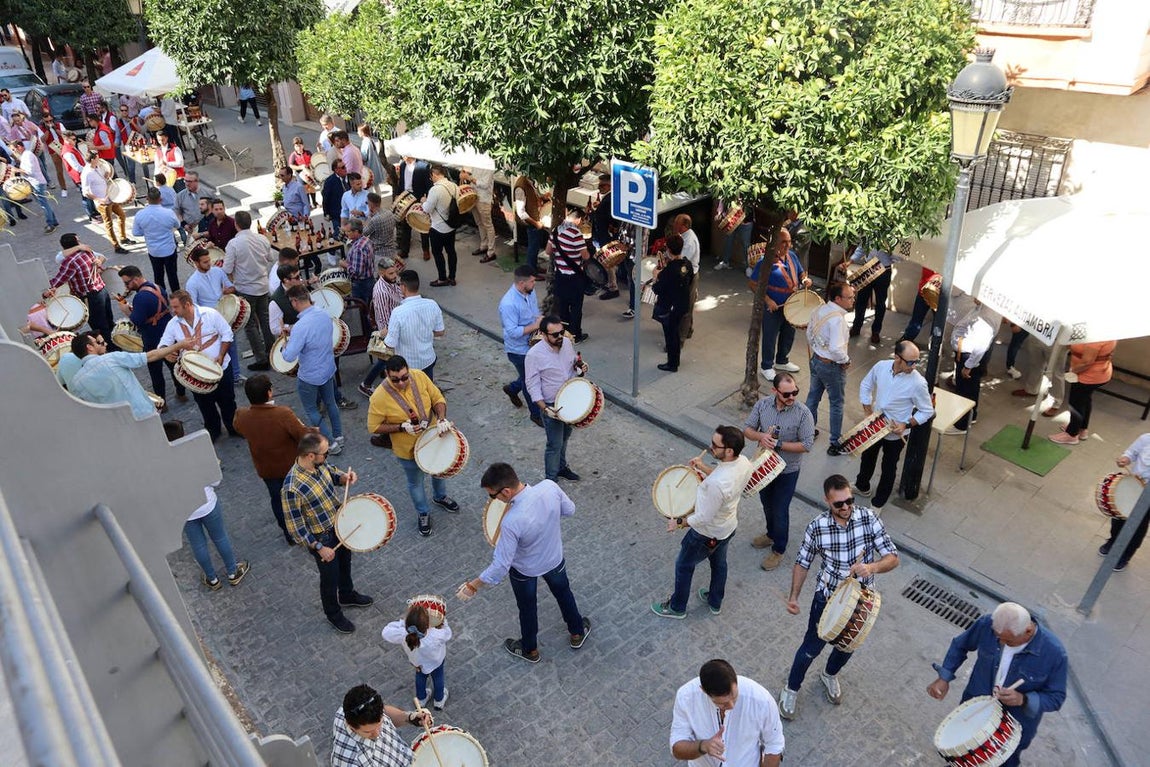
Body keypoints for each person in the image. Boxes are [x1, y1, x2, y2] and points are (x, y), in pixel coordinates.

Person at [778, 474, 900, 720]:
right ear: (827, 501)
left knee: (848, 646)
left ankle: (829, 675)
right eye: (839, 504)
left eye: (849, 501)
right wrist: (794, 597)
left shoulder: (868, 518)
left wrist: (872, 567)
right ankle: (791, 688)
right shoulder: (817, 526)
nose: (845, 507)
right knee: (811, 648)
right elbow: (803, 562)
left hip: (862, 598)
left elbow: (893, 557)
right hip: (828, 597)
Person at [456, 462, 591, 662]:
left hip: (524, 570)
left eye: (493, 495)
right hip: (553, 559)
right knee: (564, 594)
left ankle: (530, 649)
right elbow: (570, 510)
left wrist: (474, 585)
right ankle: (577, 632)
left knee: (527, 608)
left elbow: (501, 564)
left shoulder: (510, 522)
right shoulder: (549, 486)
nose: (492, 499)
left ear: (506, 492)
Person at [927, 602, 1068, 767]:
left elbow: (1056, 697)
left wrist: (1024, 699)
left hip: (1014, 723)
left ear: (1028, 631)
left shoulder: (1054, 653)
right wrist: (944, 677)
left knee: (1004, 762)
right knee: (964, 754)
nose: (1000, 642)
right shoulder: (987, 624)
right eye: (997, 636)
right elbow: (961, 645)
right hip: (976, 706)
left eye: (1007, 640)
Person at [652, 426, 752, 618]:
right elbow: (722, 474)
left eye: (715, 445)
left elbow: (703, 518)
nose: (710, 446)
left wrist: (679, 522)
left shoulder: (716, 485)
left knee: (684, 566)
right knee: (719, 563)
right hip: (728, 527)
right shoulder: (744, 463)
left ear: (729, 451)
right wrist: (702, 466)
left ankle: (677, 607)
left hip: (706, 534)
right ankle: (715, 601)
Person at [282, 433, 371, 632]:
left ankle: (347, 594)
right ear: (310, 455)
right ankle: (333, 614)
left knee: (345, 564)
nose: (328, 455)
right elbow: (295, 527)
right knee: (329, 579)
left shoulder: (319, 465)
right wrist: (320, 548)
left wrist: (344, 477)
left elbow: (332, 473)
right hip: (322, 538)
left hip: (339, 525)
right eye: (325, 453)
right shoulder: (292, 488)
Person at [367, 355, 460, 536]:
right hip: (407, 449)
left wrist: (441, 419)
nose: (401, 383)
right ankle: (423, 512)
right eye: (395, 380)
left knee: (439, 471)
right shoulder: (378, 397)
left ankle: (440, 497)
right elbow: (373, 426)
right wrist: (400, 427)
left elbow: (438, 399)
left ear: (408, 370)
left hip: (434, 438)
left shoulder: (419, 376)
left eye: (404, 377)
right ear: (386, 374)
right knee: (415, 483)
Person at [163, 420, 250, 590]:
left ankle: (212, 579)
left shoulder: (159, 463)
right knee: (220, 537)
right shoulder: (195, 454)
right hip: (207, 503)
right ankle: (232, 572)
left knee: (198, 545)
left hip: (185, 511)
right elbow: (216, 481)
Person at [743, 373, 815, 571]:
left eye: (795, 393)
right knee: (767, 504)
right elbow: (747, 429)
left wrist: (779, 444)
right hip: (764, 467)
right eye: (786, 394)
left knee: (780, 509)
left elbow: (807, 445)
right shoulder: (763, 405)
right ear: (775, 391)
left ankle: (779, 549)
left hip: (787, 470)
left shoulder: (803, 413)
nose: (792, 397)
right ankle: (770, 534)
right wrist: (761, 436)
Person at [853, 340, 935, 510]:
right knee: (867, 456)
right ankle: (862, 486)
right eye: (910, 362)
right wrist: (867, 411)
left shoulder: (918, 383)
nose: (914, 366)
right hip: (875, 424)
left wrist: (906, 424)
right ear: (897, 357)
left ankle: (878, 503)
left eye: (916, 361)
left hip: (896, 433)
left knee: (889, 467)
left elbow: (927, 411)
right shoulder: (881, 366)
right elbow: (866, 385)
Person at [232, 375, 314, 545]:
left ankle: (289, 534)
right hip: (291, 467)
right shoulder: (282, 413)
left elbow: (238, 427)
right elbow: (302, 436)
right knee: (301, 498)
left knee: (278, 501)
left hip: (267, 469)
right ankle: (307, 529)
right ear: (269, 393)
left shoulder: (242, 415)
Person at [669, 659, 784, 767]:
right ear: (704, 691)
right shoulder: (686, 697)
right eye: (722, 704)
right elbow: (677, 749)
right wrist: (703, 746)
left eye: (734, 697)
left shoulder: (761, 700)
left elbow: (774, 745)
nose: (731, 706)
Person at [158, 291, 239, 441]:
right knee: (205, 405)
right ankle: (213, 431)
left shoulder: (210, 314)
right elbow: (163, 343)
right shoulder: (173, 324)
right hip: (195, 375)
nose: (173, 311)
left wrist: (221, 355)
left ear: (187, 305)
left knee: (228, 401)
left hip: (221, 368)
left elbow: (227, 334)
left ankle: (233, 427)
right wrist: (166, 352)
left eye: (176, 307)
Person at [281, 285, 346, 454]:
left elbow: (289, 357)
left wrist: (285, 346)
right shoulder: (324, 314)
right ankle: (338, 436)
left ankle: (331, 444)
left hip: (309, 374)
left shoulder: (301, 327)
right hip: (328, 367)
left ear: (295, 301)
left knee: (311, 410)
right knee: (331, 403)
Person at [67, 330, 192, 417]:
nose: (102, 344)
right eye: (96, 342)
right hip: (143, 414)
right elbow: (151, 356)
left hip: (117, 428)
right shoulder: (111, 358)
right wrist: (178, 345)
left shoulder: (75, 383)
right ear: (89, 347)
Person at [117, 265, 186, 404]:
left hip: (152, 336)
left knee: (155, 370)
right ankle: (181, 393)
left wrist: (126, 310)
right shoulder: (157, 287)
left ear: (135, 279)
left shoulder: (140, 297)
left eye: (127, 283)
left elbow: (137, 320)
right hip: (167, 332)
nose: (126, 287)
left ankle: (162, 401)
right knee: (173, 364)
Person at [748, 228, 810, 382]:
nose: (787, 245)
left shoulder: (792, 256)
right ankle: (767, 366)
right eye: (783, 242)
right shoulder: (765, 261)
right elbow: (753, 284)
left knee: (789, 334)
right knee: (770, 336)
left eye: (789, 241)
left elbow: (801, 273)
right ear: (774, 243)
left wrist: (804, 280)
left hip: (791, 304)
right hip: (773, 307)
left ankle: (782, 360)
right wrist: (768, 300)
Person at [223, 210, 277, 372]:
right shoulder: (261, 239)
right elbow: (270, 258)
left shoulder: (233, 244)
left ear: (236, 225)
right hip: (262, 285)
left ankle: (261, 358)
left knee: (250, 324)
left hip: (246, 288)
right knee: (265, 320)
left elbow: (227, 268)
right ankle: (272, 351)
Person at [806, 281, 855, 455]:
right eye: (849, 297)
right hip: (832, 366)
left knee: (813, 397)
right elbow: (836, 349)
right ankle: (835, 443)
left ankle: (807, 433)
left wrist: (818, 350)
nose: (852, 300)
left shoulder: (819, 309)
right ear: (837, 298)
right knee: (836, 403)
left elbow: (809, 333)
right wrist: (846, 360)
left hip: (816, 360)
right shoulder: (837, 320)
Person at [330, 684, 431, 767]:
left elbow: (385, 711)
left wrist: (409, 717)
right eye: (368, 732)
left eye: (380, 724)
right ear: (350, 725)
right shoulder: (351, 763)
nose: (377, 733)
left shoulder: (348, 710)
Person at [45, 234, 116, 344]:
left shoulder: (70, 262)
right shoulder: (88, 252)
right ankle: (116, 343)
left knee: (100, 327)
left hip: (91, 298)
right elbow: (100, 258)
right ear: (77, 243)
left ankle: (111, 349)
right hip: (102, 291)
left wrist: (46, 290)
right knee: (109, 321)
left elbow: (59, 280)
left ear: (63, 247)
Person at [381, 603, 454, 710]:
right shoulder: (435, 635)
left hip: (417, 663)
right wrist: (444, 622)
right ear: (428, 624)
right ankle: (439, 700)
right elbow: (448, 634)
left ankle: (421, 699)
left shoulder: (403, 634)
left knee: (420, 677)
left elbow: (386, 632)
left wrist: (403, 623)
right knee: (438, 678)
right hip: (436, 661)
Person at [498, 265, 544, 424]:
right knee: (529, 381)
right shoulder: (508, 304)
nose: (535, 284)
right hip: (518, 351)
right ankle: (536, 414)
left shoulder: (530, 292)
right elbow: (512, 332)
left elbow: (534, 312)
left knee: (529, 375)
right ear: (522, 283)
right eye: (532, 281)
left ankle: (512, 388)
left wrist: (539, 322)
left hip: (531, 343)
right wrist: (536, 326)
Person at [1049, 339, 1116, 445]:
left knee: (1076, 403)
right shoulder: (1108, 333)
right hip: (1099, 374)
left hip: (1088, 376)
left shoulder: (1096, 338)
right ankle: (1082, 429)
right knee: (1084, 400)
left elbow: (1086, 362)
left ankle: (1071, 434)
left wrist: (1072, 371)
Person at [1098, 434, 1150, 572]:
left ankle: (1126, 554)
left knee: (1138, 526)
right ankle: (1113, 541)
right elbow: (1131, 453)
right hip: (1134, 486)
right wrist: (1125, 459)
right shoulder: (1146, 439)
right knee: (1119, 517)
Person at [948, 300, 999, 433]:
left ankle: (962, 425)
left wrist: (969, 365)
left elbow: (981, 345)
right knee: (972, 387)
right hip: (967, 354)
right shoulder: (983, 308)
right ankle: (972, 415)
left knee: (964, 390)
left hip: (969, 356)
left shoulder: (987, 316)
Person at [384, 270, 445, 380]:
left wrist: (385, 334)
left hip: (408, 365)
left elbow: (390, 344)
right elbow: (440, 331)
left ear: (403, 287)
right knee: (426, 391)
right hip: (428, 359)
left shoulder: (398, 312)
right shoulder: (432, 304)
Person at [358, 257, 405, 398]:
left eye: (395, 272)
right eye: (391, 273)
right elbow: (384, 318)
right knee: (386, 359)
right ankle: (366, 384)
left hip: (395, 325)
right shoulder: (381, 292)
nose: (395, 276)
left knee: (385, 360)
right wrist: (389, 335)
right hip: (390, 329)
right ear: (381, 273)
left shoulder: (391, 281)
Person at [545, 207, 591, 343]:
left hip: (560, 276)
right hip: (574, 278)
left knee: (563, 307)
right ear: (578, 219)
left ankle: (564, 334)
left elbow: (548, 251)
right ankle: (575, 335)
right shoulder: (576, 234)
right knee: (576, 308)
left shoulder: (555, 231)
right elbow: (585, 255)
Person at [650, 233, 693, 372]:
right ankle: (675, 360)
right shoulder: (687, 264)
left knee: (671, 335)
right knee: (675, 332)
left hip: (670, 308)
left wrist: (656, 276)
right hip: (683, 304)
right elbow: (689, 280)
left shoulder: (668, 271)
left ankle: (672, 363)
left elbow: (657, 289)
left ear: (668, 250)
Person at [131, 187, 182, 291]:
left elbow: (135, 232)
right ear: (160, 199)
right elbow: (177, 225)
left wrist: (147, 232)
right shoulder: (168, 213)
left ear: (147, 198)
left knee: (158, 276)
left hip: (154, 251)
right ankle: (177, 296)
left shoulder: (140, 214)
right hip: (169, 249)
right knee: (172, 275)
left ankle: (161, 298)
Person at [848, 242, 899, 344]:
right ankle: (856, 327)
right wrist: (851, 260)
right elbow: (862, 247)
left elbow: (899, 256)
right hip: (868, 267)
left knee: (880, 303)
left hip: (884, 269)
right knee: (861, 300)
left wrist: (890, 255)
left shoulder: (893, 236)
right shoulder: (869, 230)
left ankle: (876, 331)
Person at [81, 151, 132, 254]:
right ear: (92, 160)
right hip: (102, 202)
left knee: (121, 215)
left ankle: (123, 237)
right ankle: (116, 246)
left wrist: (106, 175)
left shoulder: (97, 166)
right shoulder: (86, 173)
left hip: (110, 197)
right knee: (109, 224)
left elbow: (102, 178)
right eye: (97, 158)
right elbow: (85, 192)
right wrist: (99, 200)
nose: (99, 160)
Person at [10, 139, 58, 233]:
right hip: (36, 182)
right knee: (44, 204)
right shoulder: (26, 155)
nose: (13, 152)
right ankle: (54, 221)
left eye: (13, 149)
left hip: (36, 183)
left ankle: (51, 224)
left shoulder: (27, 155)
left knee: (44, 205)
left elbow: (29, 171)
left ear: (19, 147)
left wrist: (17, 170)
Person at [424, 164, 459, 287]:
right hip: (451, 226)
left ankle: (442, 278)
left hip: (438, 227)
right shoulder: (454, 186)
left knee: (438, 253)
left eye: (431, 176)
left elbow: (427, 209)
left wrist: (423, 202)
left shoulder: (435, 190)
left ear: (434, 174)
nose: (431, 179)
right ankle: (452, 277)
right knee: (451, 252)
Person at [671, 214, 700, 341]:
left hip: (688, 276)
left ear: (685, 226)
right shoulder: (684, 236)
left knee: (685, 307)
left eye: (677, 224)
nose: (674, 226)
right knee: (688, 303)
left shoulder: (689, 242)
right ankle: (688, 329)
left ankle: (680, 338)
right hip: (686, 274)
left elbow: (681, 261)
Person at [396, 156, 431, 260]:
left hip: (418, 197)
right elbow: (401, 182)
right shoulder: (402, 165)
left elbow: (428, 184)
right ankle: (405, 251)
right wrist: (398, 195)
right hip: (406, 196)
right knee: (406, 224)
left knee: (421, 224)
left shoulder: (423, 166)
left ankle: (426, 250)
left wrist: (426, 197)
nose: (403, 155)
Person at [513, 175, 549, 276]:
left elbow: (531, 196)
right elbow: (521, 213)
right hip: (531, 222)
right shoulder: (520, 187)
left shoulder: (530, 181)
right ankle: (531, 272)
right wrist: (535, 223)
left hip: (536, 218)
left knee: (536, 246)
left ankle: (534, 266)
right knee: (533, 247)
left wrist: (542, 198)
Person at [461, 166, 496, 259]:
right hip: (474, 195)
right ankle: (484, 245)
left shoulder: (489, 165)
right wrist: (465, 172)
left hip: (484, 199)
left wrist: (469, 178)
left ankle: (491, 251)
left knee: (488, 225)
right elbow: (470, 172)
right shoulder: (476, 161)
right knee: (479, 223)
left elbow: (485, 184)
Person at [899, 266, 939, 344]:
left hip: (927, 291)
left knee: (917, 318)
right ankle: (935, 345)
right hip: (932, 292)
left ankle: (907, 339)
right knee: (936, 322)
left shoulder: (930, 257)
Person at [345, 218, 375, 306]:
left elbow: (356, 272)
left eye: (349, 231)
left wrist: (346, 265)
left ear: (356, 232)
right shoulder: (367, 240)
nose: (346, 234)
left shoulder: (358, 248)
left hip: (361, 284)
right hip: (370, 279)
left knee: (362, 308)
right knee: (369, 306)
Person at [715, 200, 752, 270]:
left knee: (746, 244)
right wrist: (719, 213)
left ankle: (748, 267)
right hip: (731, 220)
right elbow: (723, 199)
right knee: (728, 241)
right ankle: (725, 262)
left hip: (745, 221)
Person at [174, 172, 209, 244]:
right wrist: (184, 224)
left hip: (208, 230)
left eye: (189, 181)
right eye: (185, 181)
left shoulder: (207, 193)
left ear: (197, 181)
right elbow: (177, 211)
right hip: (192, 231)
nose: (187, 183)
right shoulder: (180, 196)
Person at [362, 192, 398, 261]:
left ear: (371, 204)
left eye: (367, 203)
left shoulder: (375, 219)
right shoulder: (390, 213)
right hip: (391, 251)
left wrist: (369, 217)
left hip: (379, 254)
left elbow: (364, 233)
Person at [322, 159, 350, 230]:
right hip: (337, 214)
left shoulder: (349, 178)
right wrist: (326, 213)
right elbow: (326, 198)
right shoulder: (330, 182)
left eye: (345, 166)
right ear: (336, 170)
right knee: (339, 235)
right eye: (343, 167)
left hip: (350, 212)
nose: (345, 169)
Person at [358, 124, 385, 191]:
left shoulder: (365, 142)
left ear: (362, 132)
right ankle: (378, 200)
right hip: (374, 166)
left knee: (369, 186)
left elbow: (364, 157)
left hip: (369, 167)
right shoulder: (370, 140)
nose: (357, 133)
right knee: (376, 186)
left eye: (358, 131)